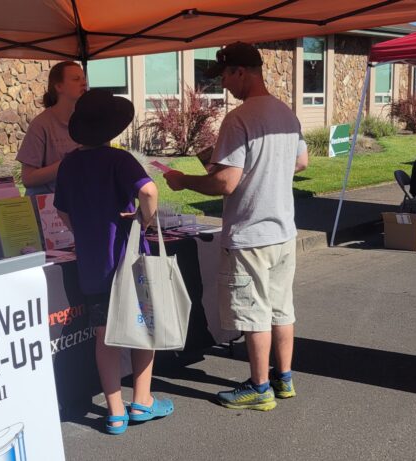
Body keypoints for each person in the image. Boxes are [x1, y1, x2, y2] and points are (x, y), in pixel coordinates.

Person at [163, 42, 309, 411]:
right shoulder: (286, 114)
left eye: (226, 76)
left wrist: (184, 181)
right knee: (281, 309)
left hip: (250, 234)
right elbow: (301, 162)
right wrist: (266, 170)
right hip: (283, 232)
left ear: (241, 72)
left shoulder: (239, 118)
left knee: (254, 312)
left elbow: (225, 183)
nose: (224, 84)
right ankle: (283, 379)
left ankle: (259, 388)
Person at [54, 89, 172, 435]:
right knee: (142, 330)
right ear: (112, 128)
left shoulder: (69, 164)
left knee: (104, 336)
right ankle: (142, 401)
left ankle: (115, 411)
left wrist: (84, 228)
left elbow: (62, 210)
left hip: (93, 264)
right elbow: (148, 191)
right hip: (128, 259)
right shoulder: (119, 161)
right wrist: (142, 220)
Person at [16, 61, 86, 196]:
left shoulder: (88, 121)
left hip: (79, 201)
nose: (84, 83)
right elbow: (28, 178)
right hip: (47, 208)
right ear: (59, 87)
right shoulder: (41, 125)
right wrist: (67, 164)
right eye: (76, 79)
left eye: (83, 79)